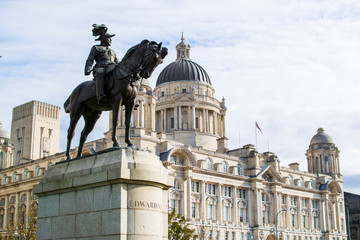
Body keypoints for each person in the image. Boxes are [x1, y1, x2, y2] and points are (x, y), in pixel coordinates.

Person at [85, 24, 120, 104]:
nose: (111, 40)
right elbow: (90, 60)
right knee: (100, 72)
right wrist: (88, 68)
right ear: (103, 38)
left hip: (111, 69)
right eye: (109, 38)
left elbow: (118, 63)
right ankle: (100, 95)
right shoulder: (96, 48)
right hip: (100, 68)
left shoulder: (112, 52)